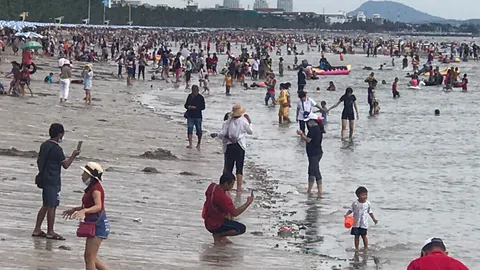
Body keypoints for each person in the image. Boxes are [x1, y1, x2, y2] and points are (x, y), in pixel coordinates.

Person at [32, 123, 81, 240]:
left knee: (45, 205)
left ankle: (37, 229)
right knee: (52, 206)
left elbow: (39, 161)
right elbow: (66, 165)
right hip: (53, 180)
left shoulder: (44, 145)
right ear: (60, 134)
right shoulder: (57, 149)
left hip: (44, 178)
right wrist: (74, 155)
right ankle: (50, 231)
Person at [63, 162, 110, 270]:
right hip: (94, 222)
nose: (82, 175)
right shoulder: (91, 188)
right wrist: (75, 210)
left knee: (89, 258)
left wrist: (85, 211)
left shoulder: (96, 189)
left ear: (91, 176)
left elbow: (98, 206)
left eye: (84, 173)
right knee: (91, 257)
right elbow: (89, 205)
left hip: (98, 224)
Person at [202, 173, 254, 245]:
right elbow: (235, 213)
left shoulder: (212, 186)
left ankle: (221, 236)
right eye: (232, 184)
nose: (232, 187)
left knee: (229, 215)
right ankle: (218, 235)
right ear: (226, 184)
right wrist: (248, 203)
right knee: (241, 228)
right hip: (215, 224)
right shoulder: (223, 198)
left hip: (207, 219)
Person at [217, 104, 253, 192]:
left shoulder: (228, 121)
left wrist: (226, 137)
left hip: (230, 145)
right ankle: (239, 188)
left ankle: (227, 185)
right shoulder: (244, 121)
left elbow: (222, 134)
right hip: (240, 145)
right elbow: (250, 131)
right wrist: (250, 122)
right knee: (239, 167)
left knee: (228, 167)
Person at [296, 113, 325, 195]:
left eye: (308, 121)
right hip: (314, 153)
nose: (307, 123)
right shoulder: (316, 128)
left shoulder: (314, 129)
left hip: (315, 153)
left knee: (315, 171)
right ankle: (309, 190)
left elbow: (308, 140)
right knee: (311, 171)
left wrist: (301, 134)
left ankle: (320, 191)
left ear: (312, 121)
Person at [184, 85, 206, 149]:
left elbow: (203, 107)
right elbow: (185, 105)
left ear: (198, 90)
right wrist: (188, 107)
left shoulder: (201, 97)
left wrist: (196, 107)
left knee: (199, 130)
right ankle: (190, 144)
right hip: (190, 116)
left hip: (198, 116)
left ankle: (198, 143)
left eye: (196, 90)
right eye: (193, 90)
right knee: (189, 129)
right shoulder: (189, 96)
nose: (195, 91)